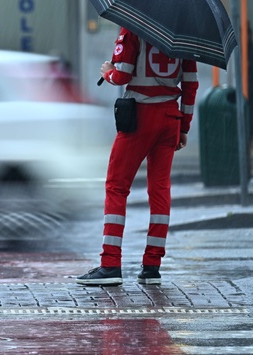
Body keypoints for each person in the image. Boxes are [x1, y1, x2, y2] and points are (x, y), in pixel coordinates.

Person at [76, 27, 198, 286]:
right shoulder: (185, 36)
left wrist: (107, 71)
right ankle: (152, 265)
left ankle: (110, 264)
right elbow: (190, 85)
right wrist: (183, 126)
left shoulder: (134, 28)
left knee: (116, 186)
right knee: (160, 190)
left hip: (141, 116)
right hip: (169, 118)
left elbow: (122, 76)